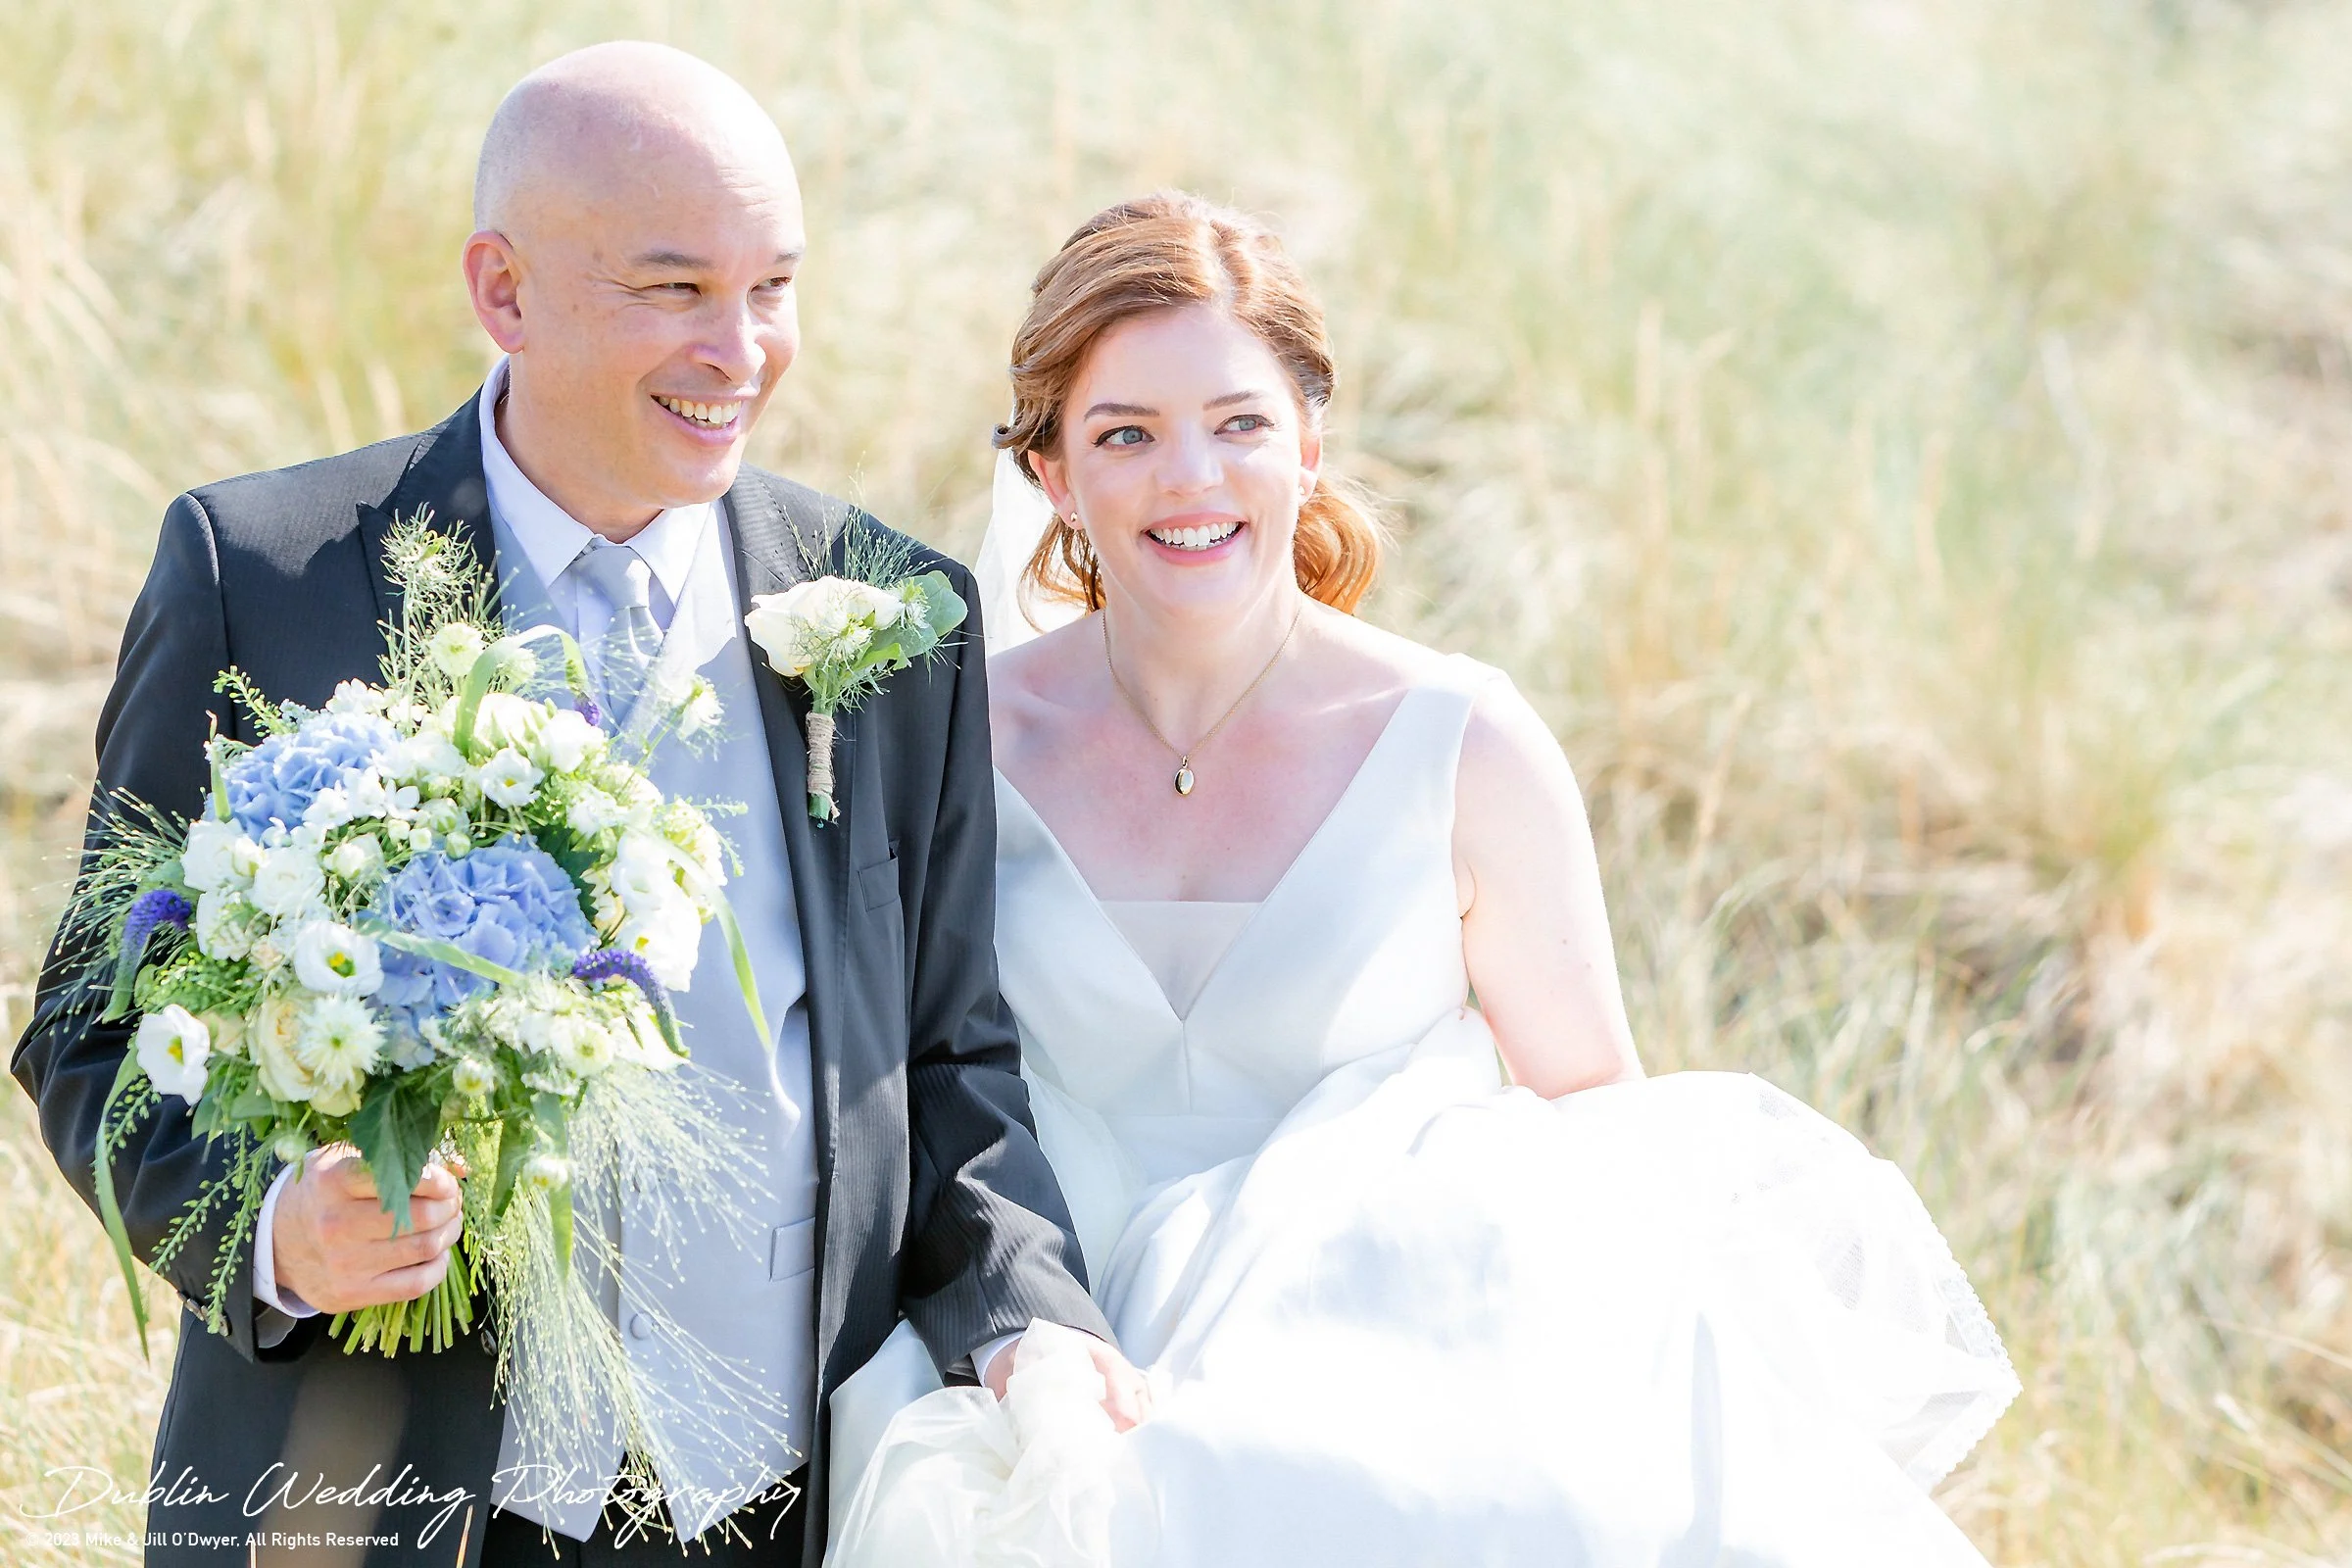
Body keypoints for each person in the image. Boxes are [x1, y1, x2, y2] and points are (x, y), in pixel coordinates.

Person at [12, 42, 1145, 1568]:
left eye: (773, 287)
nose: (739, 347)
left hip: (789, 1498)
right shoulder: (260, 576)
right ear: (505, 292)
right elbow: (92, 1021)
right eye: (674, 289)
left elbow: (947, 1058)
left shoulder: (886, 611)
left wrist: (1028, 1319)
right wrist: (278, 1233)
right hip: (380, 1502)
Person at [825, 193, 2021, 1566]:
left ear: (1310, 446)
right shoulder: (952, 736)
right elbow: (912, 1080)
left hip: (1382, 1353)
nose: (1191, 479)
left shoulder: (1462, 742)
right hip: (1045, 1334)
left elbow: (1594, 1115)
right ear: (1051, 473)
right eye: (1125, 435)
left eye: (1240, 424)